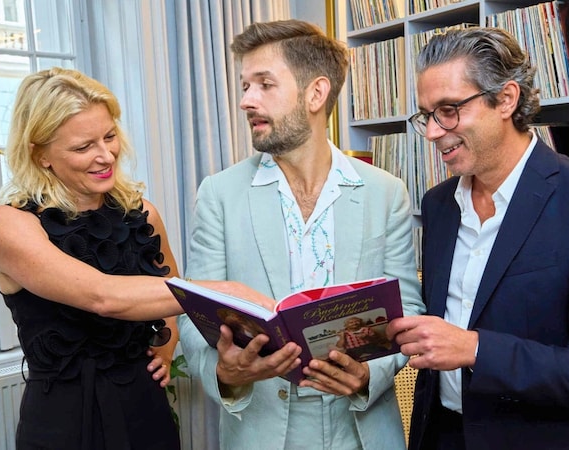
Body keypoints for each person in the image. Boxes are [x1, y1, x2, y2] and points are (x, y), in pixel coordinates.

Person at [386, 27, 569, 450]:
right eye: (426, 115)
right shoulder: (438, 205)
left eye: (449, 110)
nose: (433, 132)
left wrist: (475, 349)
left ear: (506, 99)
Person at [177, 19, 424, 450]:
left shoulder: (387, 192)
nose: (245, 101)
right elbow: (192, 315)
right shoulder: (218, 194)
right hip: (262, 430)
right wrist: (224, 373)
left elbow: (408, 308)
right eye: (244, 85)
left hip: (363, 430)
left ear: (316, 93)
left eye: (264, 84)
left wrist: (370, 375)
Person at [0, 67, 187, 450]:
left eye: (110, 137)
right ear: (40, 154)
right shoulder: (8, 224)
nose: (106, 155)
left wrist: (168, 342)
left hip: (144, 405)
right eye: (83, 146)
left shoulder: (143, 214)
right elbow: (102, 297)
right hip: (63, 420)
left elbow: (168, 293)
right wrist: (223, 292)